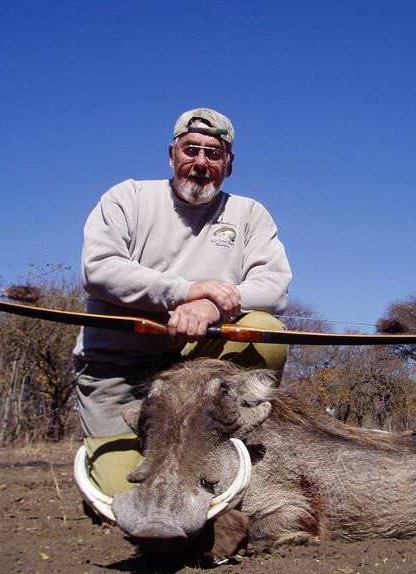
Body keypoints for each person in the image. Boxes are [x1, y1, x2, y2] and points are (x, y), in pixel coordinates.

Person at [72, 108, 292, 509]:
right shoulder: (127, 198)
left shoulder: (249, 214)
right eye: (192, 150)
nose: (201, 163)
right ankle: (115, 457)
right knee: (123, 500)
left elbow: (275, 287)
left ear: (229, 163)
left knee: (266, 330)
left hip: (192, 366)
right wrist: (186, 291)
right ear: (172, 154)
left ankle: (231, 439)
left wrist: (213, 306)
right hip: (116, 369)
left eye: (214, 153)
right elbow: (99, 269)